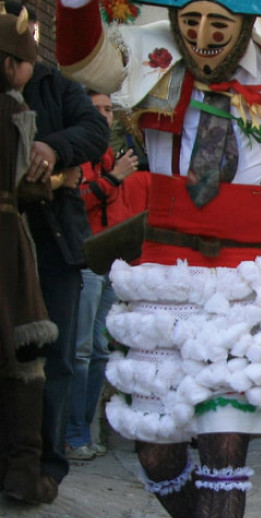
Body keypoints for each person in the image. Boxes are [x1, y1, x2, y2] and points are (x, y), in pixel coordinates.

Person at [55, 0, 261, 518]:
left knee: (224, 444)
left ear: (244, 24)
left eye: (218, 23)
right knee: (157, 452)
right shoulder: (149, 51)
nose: (201, 35)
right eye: (190, 21)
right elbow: (80, 58)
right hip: (162, 279)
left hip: (246, 281)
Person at [11, 0, 111, 495]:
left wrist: (52, 149)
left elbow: (96, 130)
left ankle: (47, 465)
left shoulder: (59, 87)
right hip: (7, 244)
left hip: (53, 245)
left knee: (57, 358)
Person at [0, 5, 60, 504]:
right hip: (5, 242)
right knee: (24, 355)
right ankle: (23, 473)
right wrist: (53, 182)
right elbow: (23, 182)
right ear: (8, 65)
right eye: (24, 62)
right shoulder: (13, 109)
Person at [66, 90, 140, 461]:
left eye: (109, 110)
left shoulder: (115, 158)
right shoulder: (79, 158)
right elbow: (76, 201)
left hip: (111, 266)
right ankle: (72, 434)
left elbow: (125, 212)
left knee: (98, 351)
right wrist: (112, 178)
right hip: (85, 263)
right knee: (80, 351)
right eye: (97, 110)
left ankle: (85, 431)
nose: (105, 116)